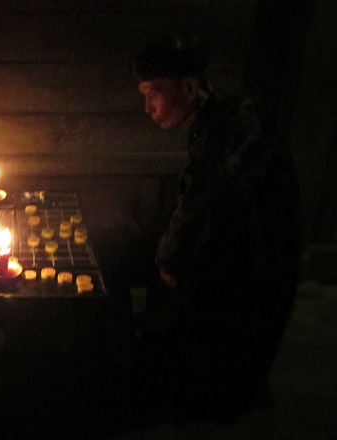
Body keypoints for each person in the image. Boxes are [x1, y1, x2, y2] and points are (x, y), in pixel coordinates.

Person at [128, 36, 301, 424]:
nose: (148, 108)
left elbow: (204, 200)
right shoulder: (217, 121)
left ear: (188, 88)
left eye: (154, 94)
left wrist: (170, 257)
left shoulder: (234, 128)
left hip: (255, 275)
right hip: (243, 259)